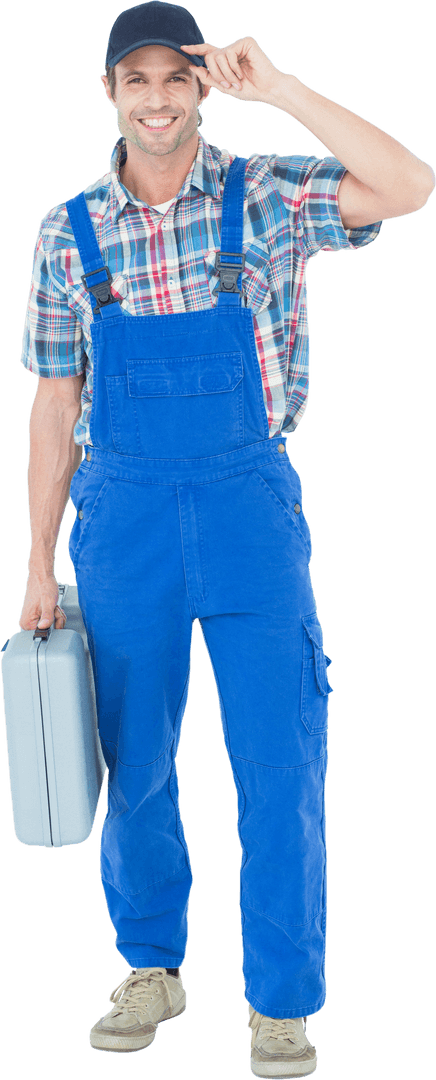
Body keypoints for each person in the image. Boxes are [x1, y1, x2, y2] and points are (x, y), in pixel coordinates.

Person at [17, 1, 434, 1074]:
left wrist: (282, 87)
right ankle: (153, 967)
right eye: (136, 81)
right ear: (109, 93)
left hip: (251, 507)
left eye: (177, 79)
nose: (157, 99)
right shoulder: (68, 231)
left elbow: (410, 186)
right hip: (124, 520)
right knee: (136, 763)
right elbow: (55, 407)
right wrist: (36, 562)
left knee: (282, 758)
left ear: (203, 87)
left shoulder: (269, 192)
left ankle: (280, 1001)